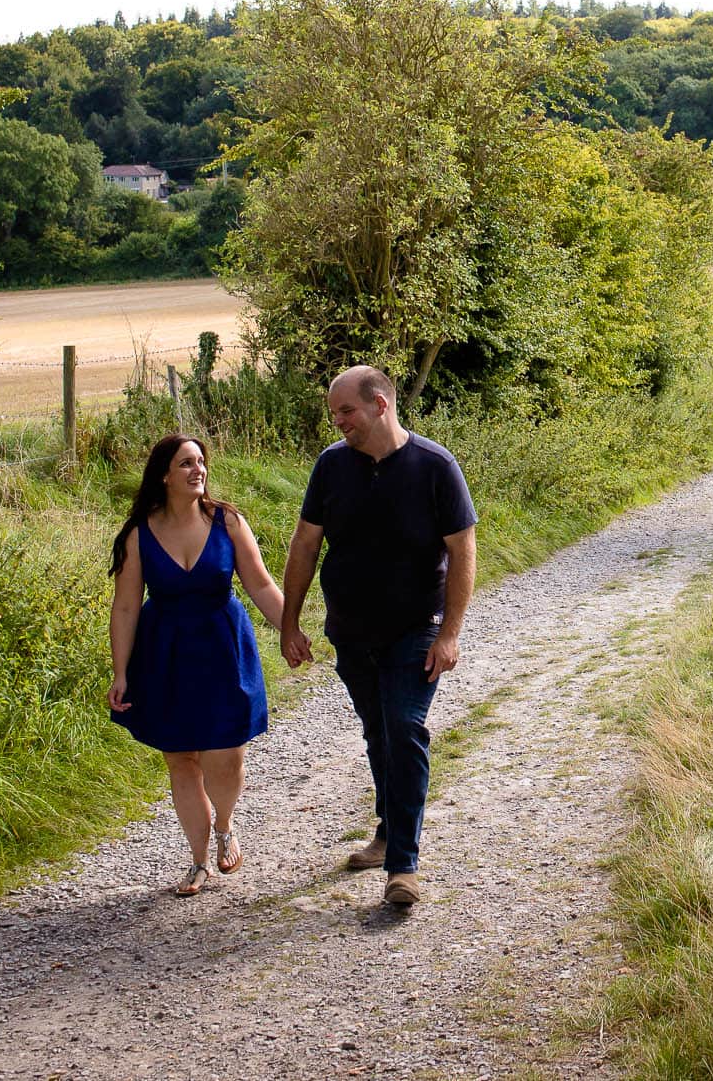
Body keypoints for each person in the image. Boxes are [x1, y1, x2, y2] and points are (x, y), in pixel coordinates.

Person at [279, 365, 477, 907]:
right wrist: (289, 621)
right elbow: (304, 544)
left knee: (405, 729)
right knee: (378, 732)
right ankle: (388, 829)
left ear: (381, 404)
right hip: (351, 632)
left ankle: (403, 865)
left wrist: (450, 633)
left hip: (416, 629)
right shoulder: (331, 467)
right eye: (333, 413)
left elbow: (462, 551)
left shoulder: (435, 466)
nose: (338, 421)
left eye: (346, 411)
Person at [108, 432, 281, 896]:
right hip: (164, 655)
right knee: (181, 759)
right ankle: (199, 861)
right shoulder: (139, 534)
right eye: (186, 463)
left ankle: (226, 825)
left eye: (201, 461)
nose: (198, 470)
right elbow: (125, 607)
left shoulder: (227, 522)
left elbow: (262, 586)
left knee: (225, 756)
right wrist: (121, 672)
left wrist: (292, 631)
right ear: (164, 475)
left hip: (223, 649)